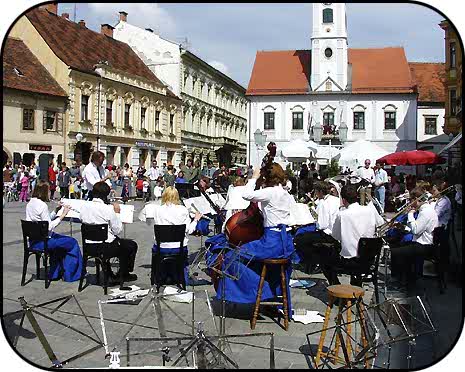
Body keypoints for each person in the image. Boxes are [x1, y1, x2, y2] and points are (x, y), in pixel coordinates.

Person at [205, 163, 298, 315]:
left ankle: (245, 294)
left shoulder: (270, 192)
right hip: (285, 242)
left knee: (232, 255)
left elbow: (246, 195)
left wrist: (254, 178)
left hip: (271, 242)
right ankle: (268, 292)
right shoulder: (285, 193)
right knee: (256, 260)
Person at [319, 184, 384, 285]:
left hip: (351, 262)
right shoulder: (370, 210)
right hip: (369, 259)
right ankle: (355, 287)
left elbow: (335, 236)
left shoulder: (342, 214)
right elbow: (380, 223)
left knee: (324, 259)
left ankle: (336, 287)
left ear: (344, 200)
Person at [138, 186, 203, 284]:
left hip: (161, 246)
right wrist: (196, 219)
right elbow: (189, 230)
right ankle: (180, 276)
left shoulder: (157, 210)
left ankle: (161, 275)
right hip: (179, 247)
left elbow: (148, 220)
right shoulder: (183, 210)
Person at [79, 181, 138, 284]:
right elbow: (117, 230)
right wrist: (117, 213)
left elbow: (82, 219)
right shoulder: (107, 209)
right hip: (105, 247)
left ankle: (109, 273)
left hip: (89, 246)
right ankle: (123, 274)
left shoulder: (84, 206)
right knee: (131, 245)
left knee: (118, 243)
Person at [25, 180, 83, 282]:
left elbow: (44, 221)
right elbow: (49, 226)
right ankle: (72, 275)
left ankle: (55, 273)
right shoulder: (42, 205)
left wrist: (56, 210)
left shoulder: (30, 203)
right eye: (48, 191)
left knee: (61, 242)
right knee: (72, 242)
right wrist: (62, 215)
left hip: (34, 240)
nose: (49, 194)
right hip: (44, 241)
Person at [390, 186, 439, 292]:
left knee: (395, 252)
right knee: (398, 246)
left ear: (416, 199)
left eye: (411, 201)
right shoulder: (425, 209)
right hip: (420, 242)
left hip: (424, 245)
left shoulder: (425, 211)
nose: (410, 204)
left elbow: (416, 230)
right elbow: (418, 229)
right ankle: (407, 280)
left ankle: (403, 281)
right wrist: (403, 227)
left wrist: (410, 215)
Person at [294, 181, 341, 273]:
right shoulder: (335, 199)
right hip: (337, 232)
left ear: (320, 191)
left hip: (328, 233)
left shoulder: (324, 202)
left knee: (299, 239)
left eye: (316, 191)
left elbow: (322, 225)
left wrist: (314, 216)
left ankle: (315, 260)